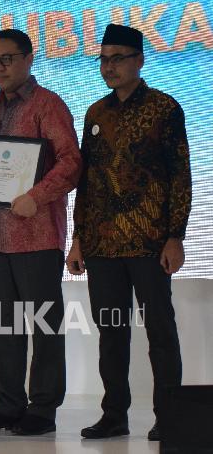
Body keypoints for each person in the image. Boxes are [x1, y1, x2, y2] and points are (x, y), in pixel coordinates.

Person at [0, 28, 81, 436]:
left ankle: (42, 409)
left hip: (38, 235)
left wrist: (38, 196)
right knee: (2, 327)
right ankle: (6, 405)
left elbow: (72, 162)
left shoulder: (47, 105)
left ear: (28, 59)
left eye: (7, 59)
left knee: (44, 326)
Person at [68, 24, 190, 442]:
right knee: (112, 333)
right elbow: (87, 182)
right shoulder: (95, 114)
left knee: (160, 331)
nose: (109, 66)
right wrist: (79, 237)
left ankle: (170, 415)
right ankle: (114, 414)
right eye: (103, 58)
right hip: (103, 247)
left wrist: (176, 235)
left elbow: (180, 177)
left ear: (139, 60)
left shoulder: (164, 109)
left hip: (149, 243)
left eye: (117, 58)